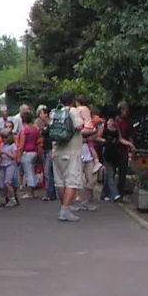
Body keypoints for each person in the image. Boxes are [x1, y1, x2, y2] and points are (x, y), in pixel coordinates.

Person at [51, 91, 91, 221]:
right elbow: (79, 126)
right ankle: (65, 211)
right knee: (72, 182)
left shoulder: (55, 112)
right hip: (72, 152)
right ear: (72, 101)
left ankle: (64, 207)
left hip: (57, 151)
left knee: (61, 182)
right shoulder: (72, 111)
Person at [16, 109, 40, 199]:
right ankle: (32, 190)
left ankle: (30, 193)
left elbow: (21, 145)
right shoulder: (35, 129)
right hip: (34, 152)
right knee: (32, 171)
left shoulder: (25, 130)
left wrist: (18, 156)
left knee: (28, 173)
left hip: (27, 153)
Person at [0, 129, 20, 206]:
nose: (3, 140)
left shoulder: (12, 146)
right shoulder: (2, 145)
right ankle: (3, 199)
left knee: (7, 183)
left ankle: (12, 199)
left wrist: (5, 152)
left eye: (5, 138)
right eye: (2, 138)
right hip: (3, 165)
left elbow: (14, 156)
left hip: (10, 165)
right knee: (1, 184)